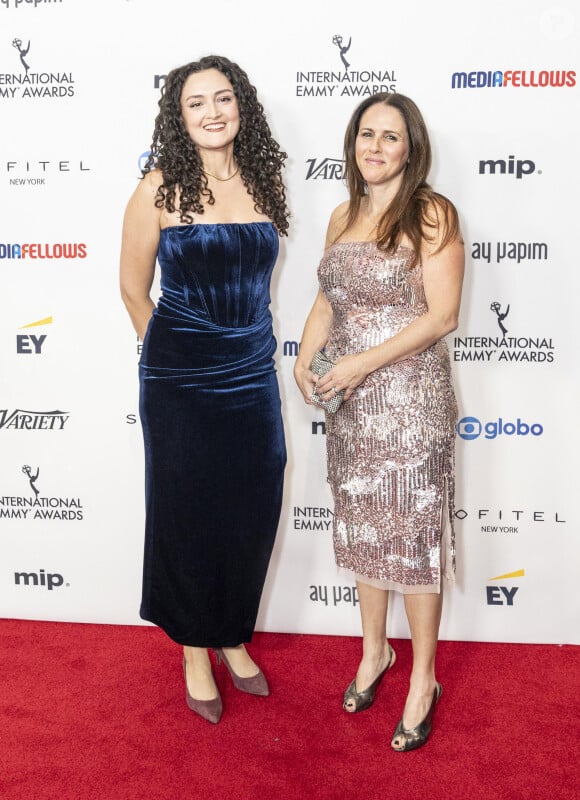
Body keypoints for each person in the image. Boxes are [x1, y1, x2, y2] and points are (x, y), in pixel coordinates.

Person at [120, 55, 289, 724]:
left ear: (240, 107)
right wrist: (172, 356)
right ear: (179, 117)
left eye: (224, 98)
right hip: (181, 376)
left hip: (251, 370)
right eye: (197, 102)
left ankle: (230, 631)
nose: (213, 111)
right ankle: (194, 646)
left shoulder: (263, 182)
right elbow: (133, 291)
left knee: (251, 506)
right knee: (187, 511)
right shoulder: (157, 189)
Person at [294, 93, 464, 751]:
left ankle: (422, 677)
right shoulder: (342, 213)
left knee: (415, 542)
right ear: (353, 142)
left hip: (410, 400)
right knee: (366, 528)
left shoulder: (430, 212)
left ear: (410, 148)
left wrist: (362, 362)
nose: (376, 146)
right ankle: (374, 653)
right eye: (367, 134)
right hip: (353, 408)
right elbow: (325, 300)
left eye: (390, 137)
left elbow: (442, 315)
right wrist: (305, 360)